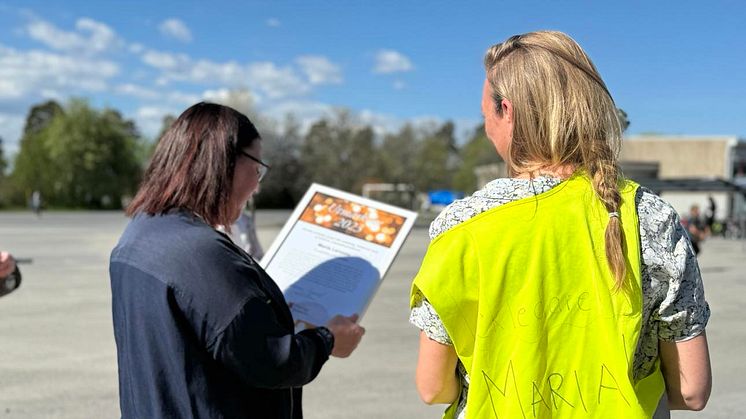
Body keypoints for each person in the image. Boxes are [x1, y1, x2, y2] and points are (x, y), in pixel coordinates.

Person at [409, 31, 711, 419]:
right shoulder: (650, 217)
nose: (486, 128)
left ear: (508, 110)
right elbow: (692, 390)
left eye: (486, 114)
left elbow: (433, 387)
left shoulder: (462, 224)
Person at [110, 102, 365, 419]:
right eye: (257, 169)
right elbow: (271, 361)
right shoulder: (203, 255)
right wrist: (327, 340)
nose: (258, 186)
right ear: (222, 162)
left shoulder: (138, 232)